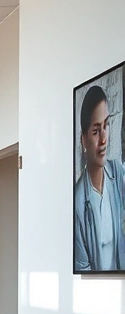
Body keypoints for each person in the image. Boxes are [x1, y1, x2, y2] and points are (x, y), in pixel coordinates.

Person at [74, 84, 125, 271]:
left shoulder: (117, 173)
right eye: (96, 131)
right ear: (84, 139)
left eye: (106, 126)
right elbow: (82, 267)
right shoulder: (78, 201)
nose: (103, 139)